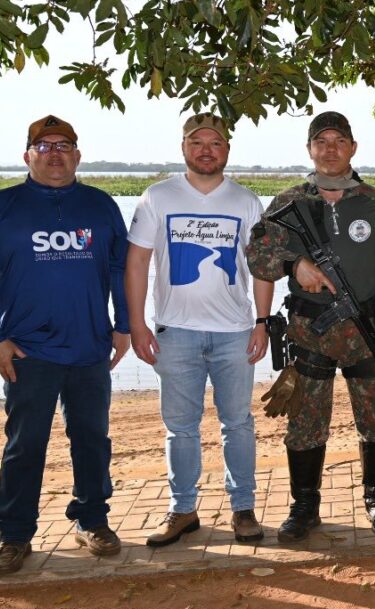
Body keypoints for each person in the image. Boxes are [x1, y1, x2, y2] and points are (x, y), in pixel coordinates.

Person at [0, 115, 131, 575]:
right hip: (27, 352)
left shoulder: (100, 206)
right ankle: (15, 535)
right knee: (24, 445)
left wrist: (125, 324)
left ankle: (92, 519)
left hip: (90, 348)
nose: (54, 153)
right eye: (44, 146)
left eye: (64, 145)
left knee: (93, 440)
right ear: (27, 155)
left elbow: (120, 268)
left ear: (77, 155)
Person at [245, 111, 375, 541]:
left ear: (352, 147)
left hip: (366, 329)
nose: (330, 149)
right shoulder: (288, 202)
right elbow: (257, 258)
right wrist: (295, 265)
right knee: (306, 421)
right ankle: (304, 506)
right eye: (322, 141)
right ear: (310, 149)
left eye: (339, 141)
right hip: (310, 329)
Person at [125, 113, 273, 547]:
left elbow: (261, 267)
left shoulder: (246, 201)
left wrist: (262, 322)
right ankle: (183, 510)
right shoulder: (158, 197)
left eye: (215, 142)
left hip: (233, 332)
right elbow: (136, 263)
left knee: (238, 424)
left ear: (227, 149)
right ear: (183, 147)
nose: (206, 149)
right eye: (196, 142)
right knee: (180, 428)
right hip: (176, 333)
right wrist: (137, 324)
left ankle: (243, 509)